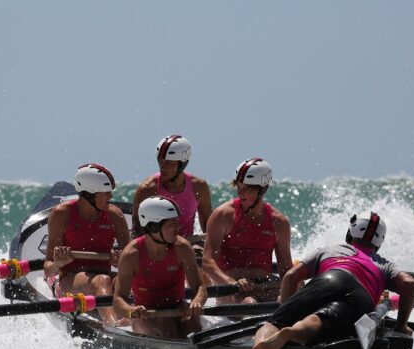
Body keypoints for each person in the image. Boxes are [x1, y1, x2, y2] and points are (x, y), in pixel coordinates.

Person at [224, 212, 414, 349]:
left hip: (330, 277)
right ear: (379, 243)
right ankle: (291, 333)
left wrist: (285, 309)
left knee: (275, 322)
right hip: (362, 297)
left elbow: (291, 276)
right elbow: (409, 284)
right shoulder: (384, 265)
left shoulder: (330, 250)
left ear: (350, 233)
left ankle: (261, 347)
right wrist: (402, 325)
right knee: (317, 321)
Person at [44, 163, 131, 325]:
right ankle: (115, 327)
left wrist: (121, 264)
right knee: (102, 281)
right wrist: (58, 263)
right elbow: (48, 269)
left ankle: (135, 323)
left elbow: (133, 265)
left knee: (126, 282)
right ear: (89, 194)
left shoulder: (115, 215)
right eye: (106, 193)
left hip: (102, 280)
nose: (111, 197)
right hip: (70, 282)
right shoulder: (61, 214)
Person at [114, 196, 209, 338]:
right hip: (146, 314)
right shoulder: (131, 255)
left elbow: (200, 288)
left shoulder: (182, 248)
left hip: (177, 307)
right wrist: (130, 310)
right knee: (166, 328)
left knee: (194, 327)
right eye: (171, 224)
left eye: (177, 222)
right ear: (153, 226)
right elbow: (118, 301)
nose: (178, 228)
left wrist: (197, 301)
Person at [202, 157, 292, 303]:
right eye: (239, 187)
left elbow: (286, 268)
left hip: (265, 286)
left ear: (262, 189)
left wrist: (296, 282)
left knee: (284, 300)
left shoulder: (279, 223)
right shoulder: (223, 215)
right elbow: (207, 262)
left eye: (247, 189)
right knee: (249, 301)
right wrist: (230, 282)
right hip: (232, 289)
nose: (241, 193)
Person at [132, 135, 212, 239]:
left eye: (169, 162)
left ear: (183, 163)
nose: (163, 166)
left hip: (188, 245)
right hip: (156, 248)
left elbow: (209, 228)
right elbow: (137, 231)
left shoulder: (199, 187)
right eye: (160, 160)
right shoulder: (147, 189)